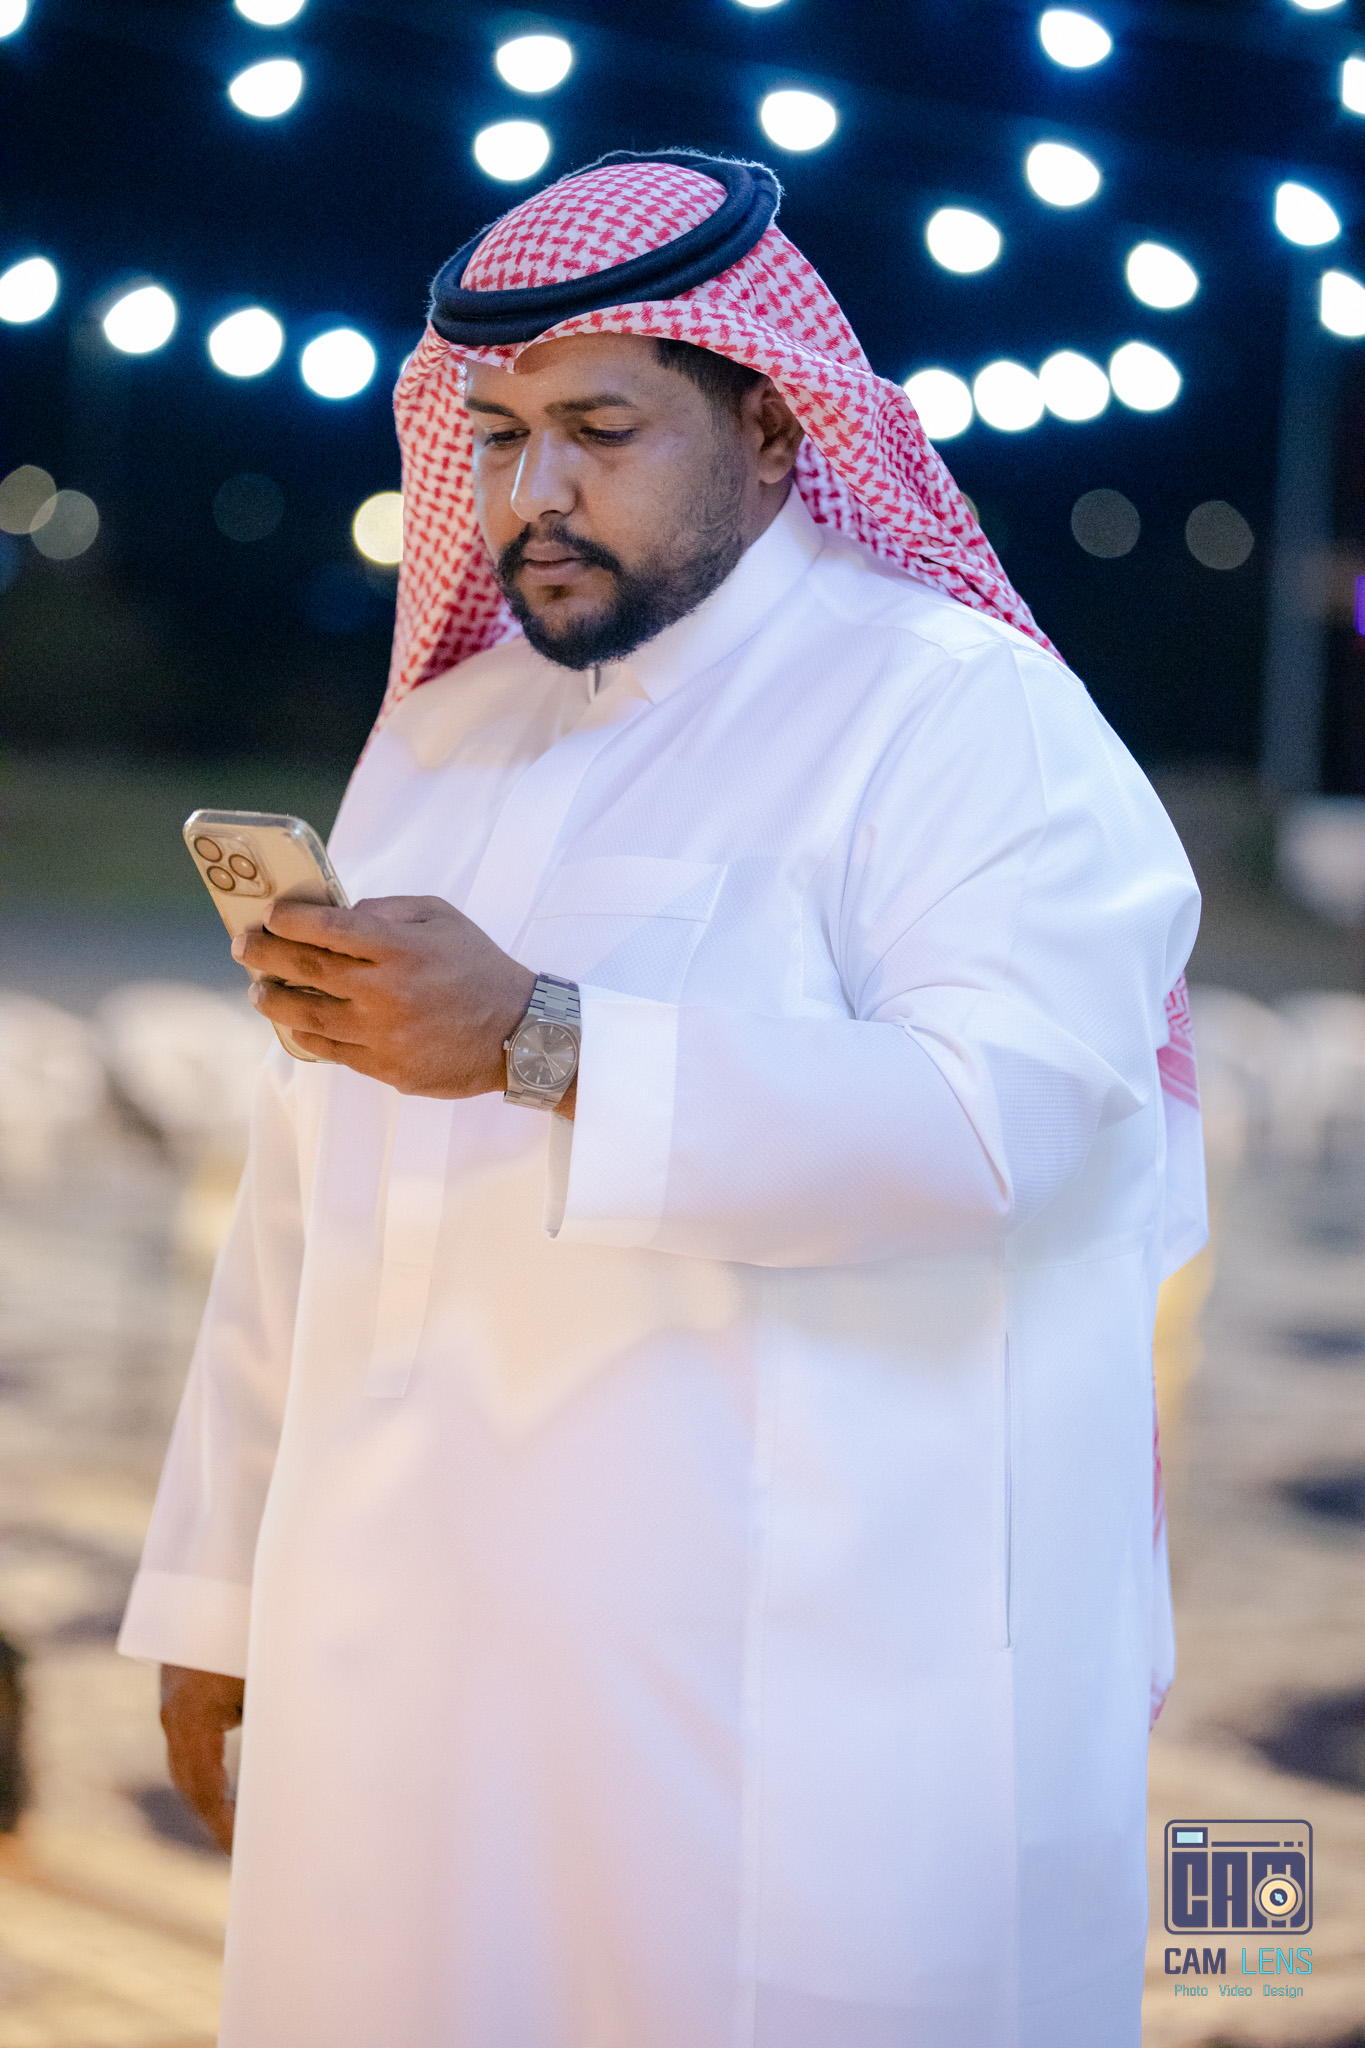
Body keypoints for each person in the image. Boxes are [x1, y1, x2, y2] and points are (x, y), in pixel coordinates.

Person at [119, 150, 1205, 2048]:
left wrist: (543, 1040)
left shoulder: (953, 713)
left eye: (600, 431)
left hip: (776, 1701)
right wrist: (218, 1591)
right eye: (497, 435)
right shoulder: (443, 737)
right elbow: (313, 1185)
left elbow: (1004, 1127)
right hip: (392, 1660)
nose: (530, 492)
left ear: (773, 426)